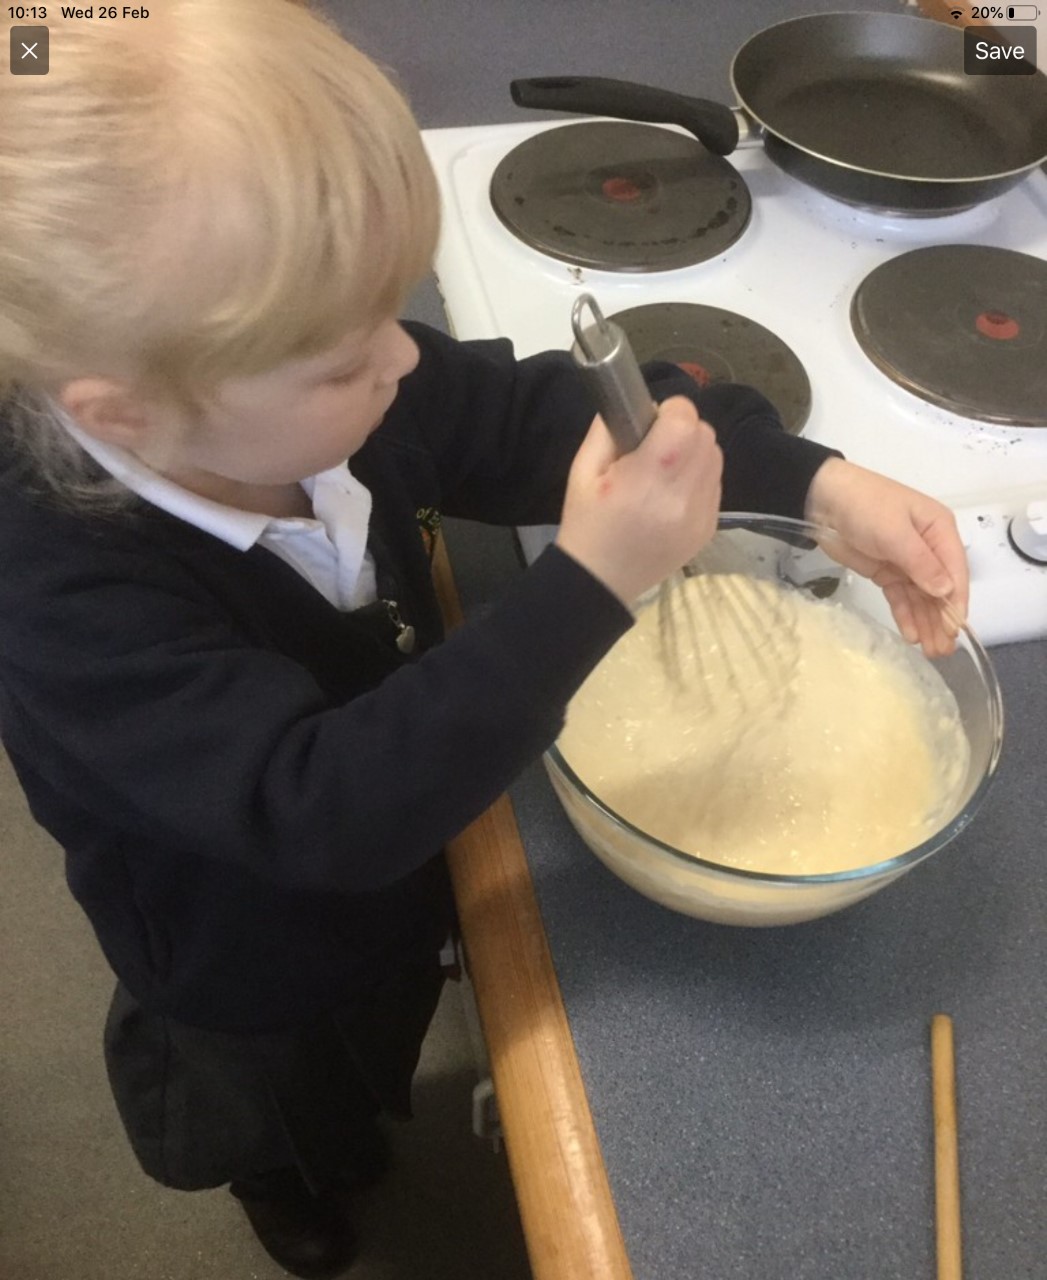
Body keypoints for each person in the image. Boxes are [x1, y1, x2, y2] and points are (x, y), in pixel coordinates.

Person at [0, 2, 968, 1276]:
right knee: (290, 1097)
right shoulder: (58, 596)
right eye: (346, 357)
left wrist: (812, 480)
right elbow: (319, 807)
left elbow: (530, 411)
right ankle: (292, 1182)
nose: (405, 356)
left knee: (388, 1016)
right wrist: (587, 583)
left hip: (402, 876)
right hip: (242, 945)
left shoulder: (317, 395)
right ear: (125, 409)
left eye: (388, 314)